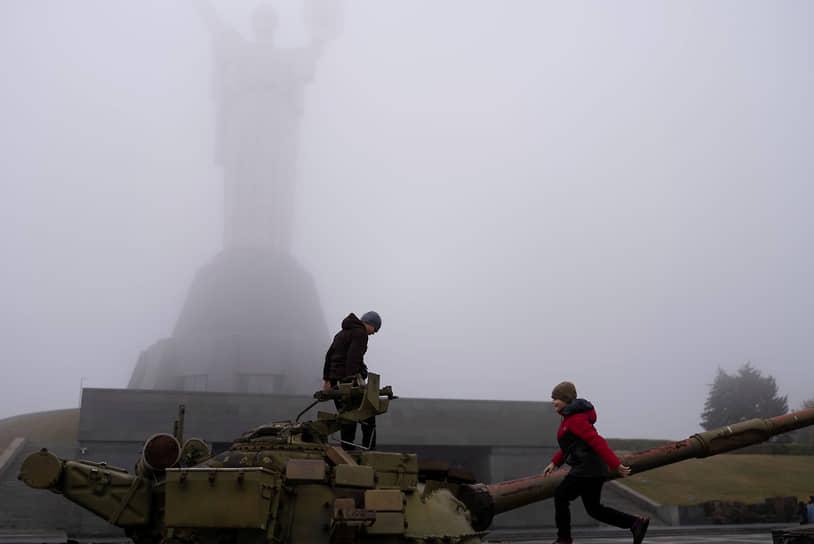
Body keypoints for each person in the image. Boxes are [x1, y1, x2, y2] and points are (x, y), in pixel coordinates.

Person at [542, 381, 650, 544]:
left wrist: (615, 465)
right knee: (594, 510)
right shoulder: (569, 418)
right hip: (591, 469)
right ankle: (635, 523)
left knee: (561, 495)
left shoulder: (576, 419)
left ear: (565, 399)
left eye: (555, 398)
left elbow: (596, 441)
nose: (553, 401)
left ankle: (564, 539)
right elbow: (572, 445)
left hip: (586, 469)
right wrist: (554, 462)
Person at [322, 311, 382, 450]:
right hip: (349, 381)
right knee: (368, 413)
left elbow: (329, 356)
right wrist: (352, 380)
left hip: (336, 382)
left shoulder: (340, 334)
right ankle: (370, 452)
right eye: (375, 329)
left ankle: (347, 452)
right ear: (370, 323)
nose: (374, 333)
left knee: (347, 418)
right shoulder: (360, 334)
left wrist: (327, 380)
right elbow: (353, 357)